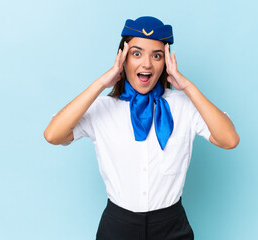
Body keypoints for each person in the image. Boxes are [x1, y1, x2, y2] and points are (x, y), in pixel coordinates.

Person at [44, 16, 239, 240]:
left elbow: (229, 140)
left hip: (172, 227)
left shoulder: (184, 106)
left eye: (156, 56)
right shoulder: (103, 108)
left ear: (166, 62)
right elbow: (53, 135)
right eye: (137, 54)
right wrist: (100, 84)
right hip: (117, 227)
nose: (146, 64)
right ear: (123, 58)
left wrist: (187, 87)